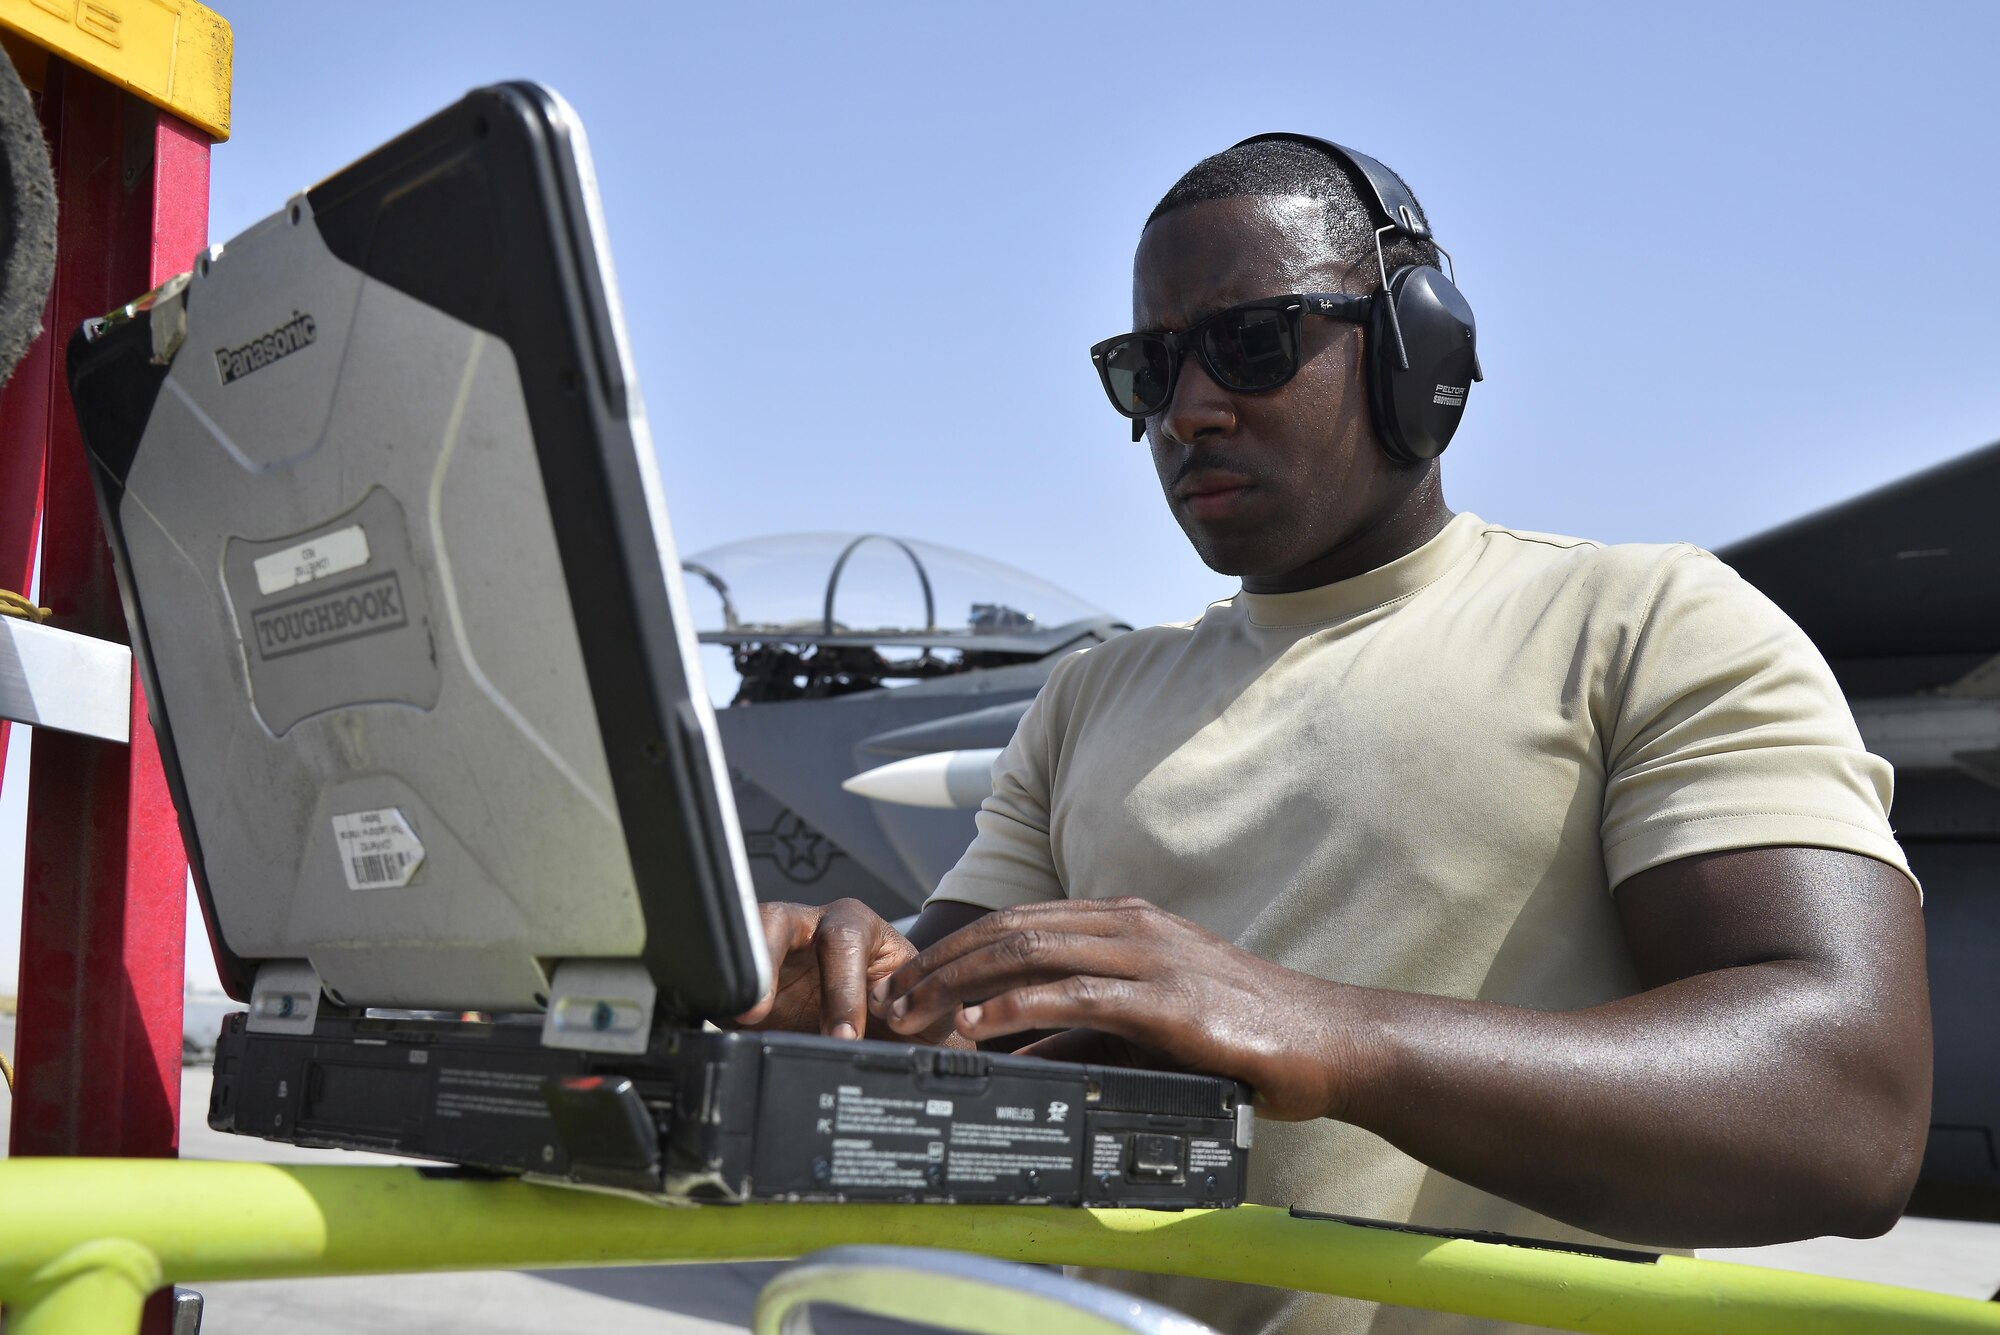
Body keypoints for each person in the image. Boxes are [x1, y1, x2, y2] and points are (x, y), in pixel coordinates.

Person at [735, 136, 1931, 1334]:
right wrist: (832, 1002)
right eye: (1146, 370)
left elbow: (1846, 1111)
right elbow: (947, 1032)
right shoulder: (1089, 698)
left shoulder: (1641, 624)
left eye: (1251, 344)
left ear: (1418, 352)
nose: (1187, 411)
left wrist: (1324, 1034)